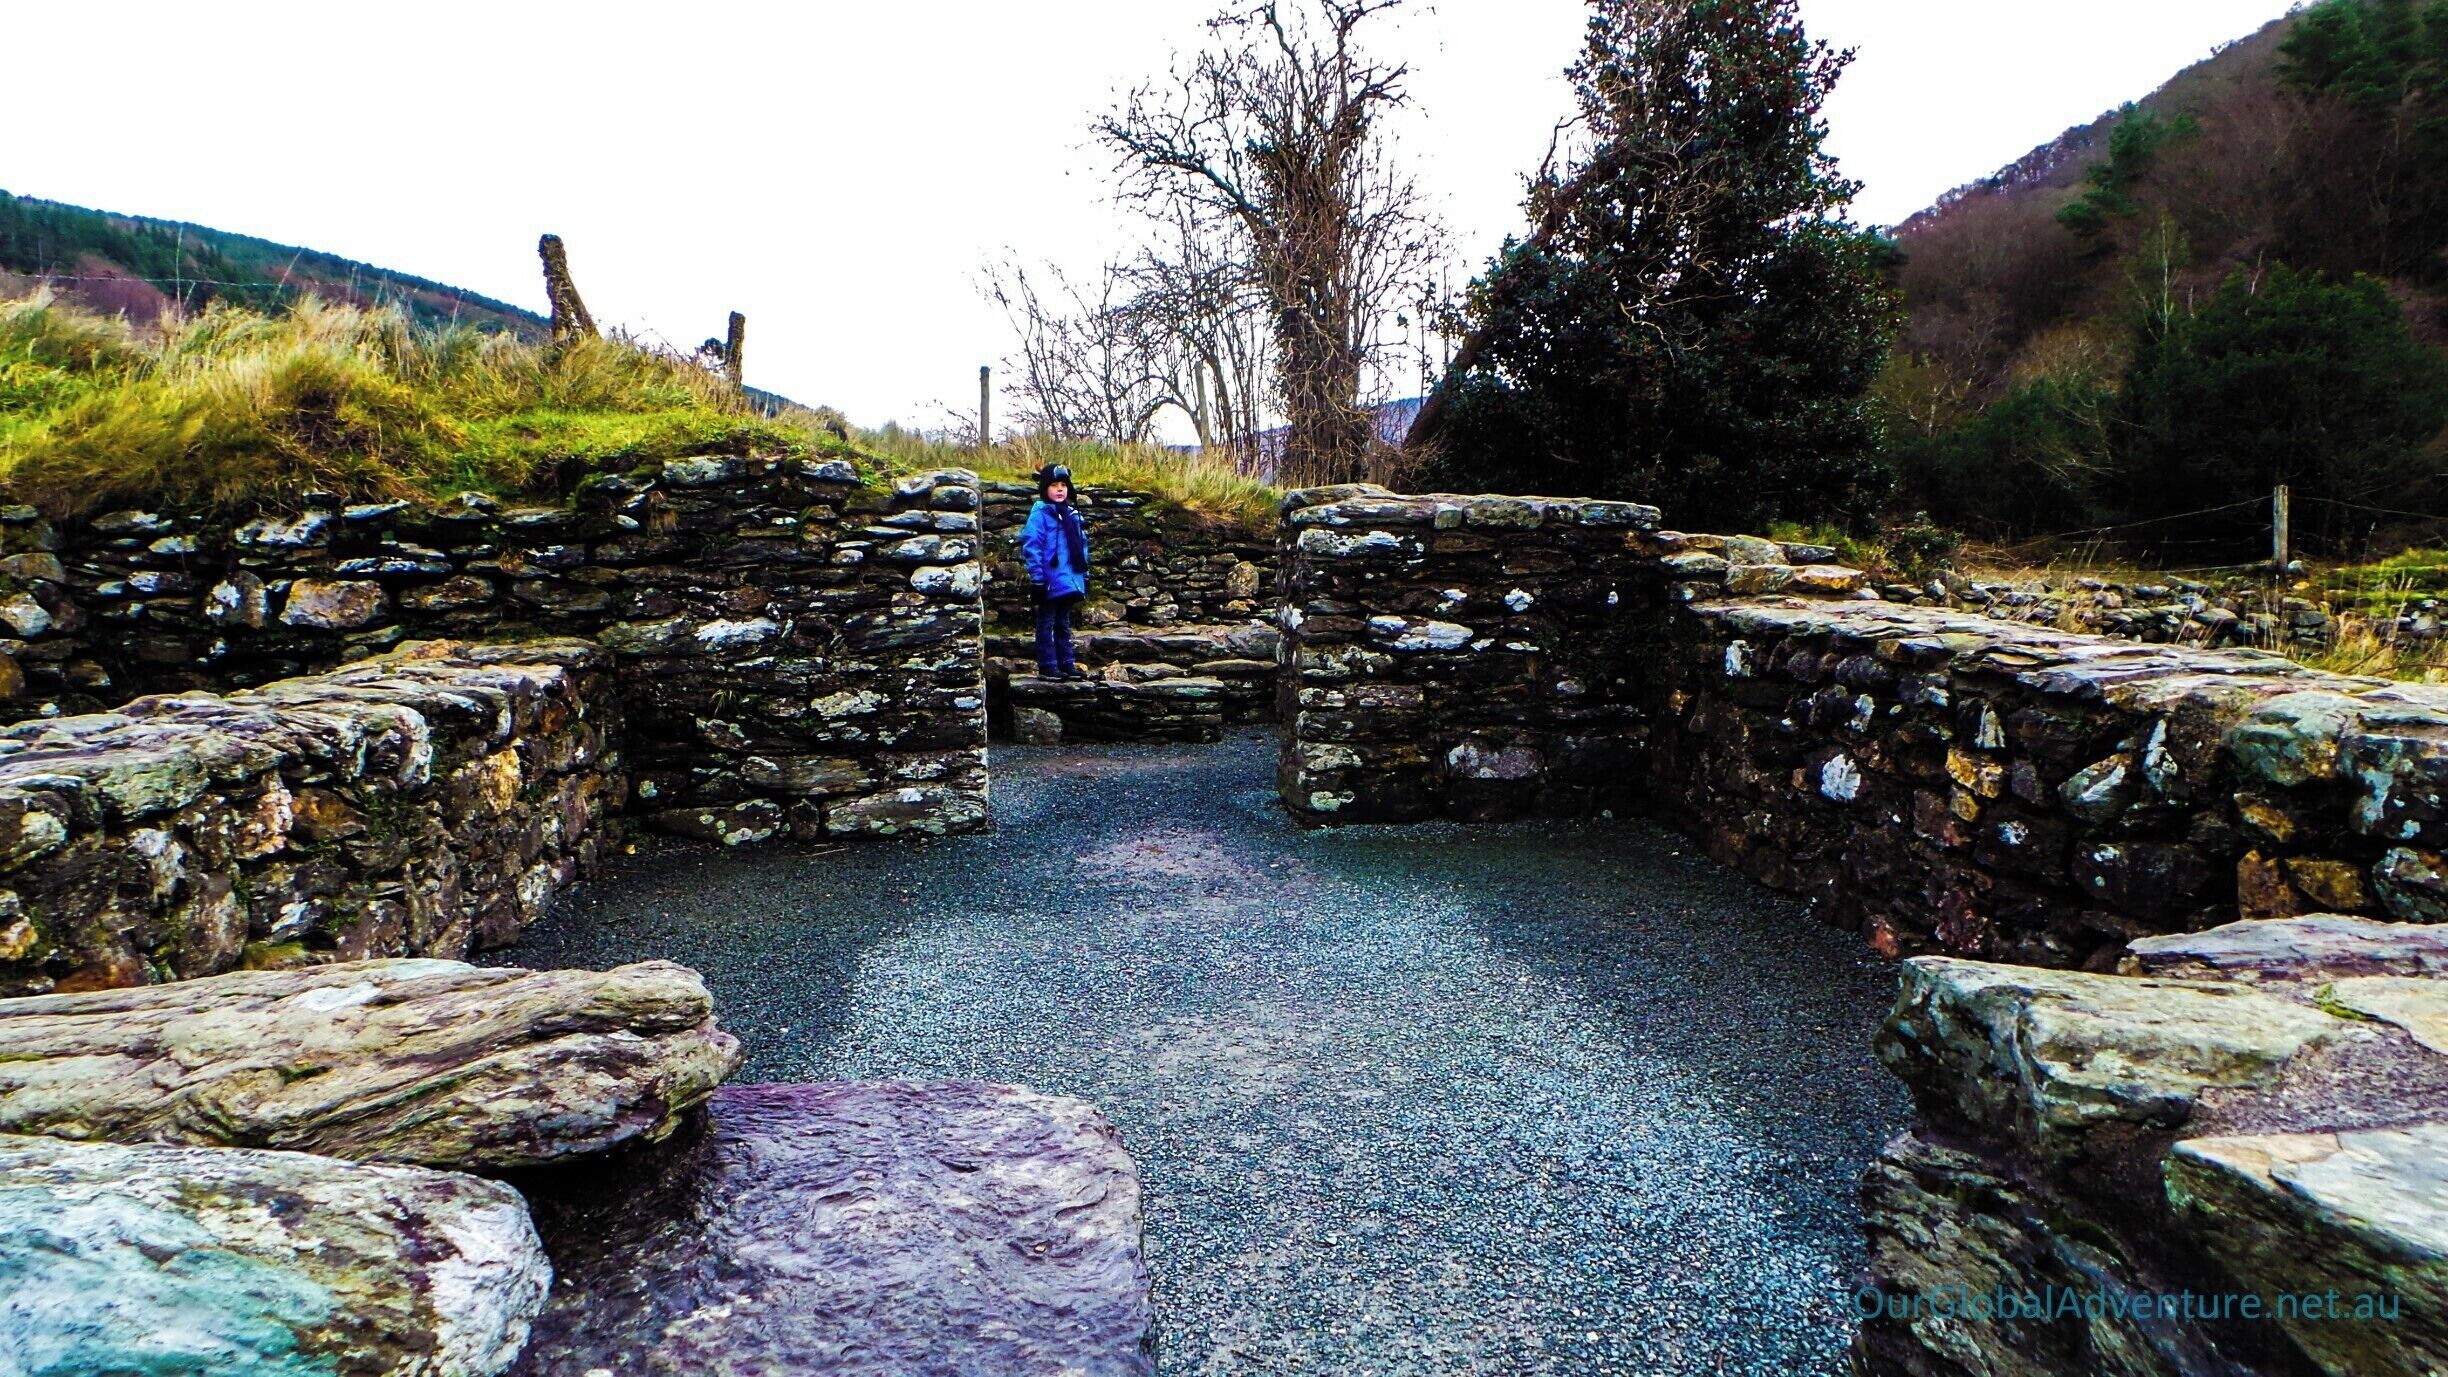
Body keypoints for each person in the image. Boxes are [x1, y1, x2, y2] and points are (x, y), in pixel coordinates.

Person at [1021, 464, 1090, 679]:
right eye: (1054, 485)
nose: (1060, 489)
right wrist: (1038, 580)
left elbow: (1081, 545)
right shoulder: (1040, 516)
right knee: (1047, 621)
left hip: (1069, 578)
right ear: (1045, 489)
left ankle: (1066, 663)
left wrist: (1084, 574)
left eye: (1063, 485)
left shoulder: (1072, 516)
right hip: (1050, 580)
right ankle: (1048, 665)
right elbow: (1032, 546)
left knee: (1063, 622)